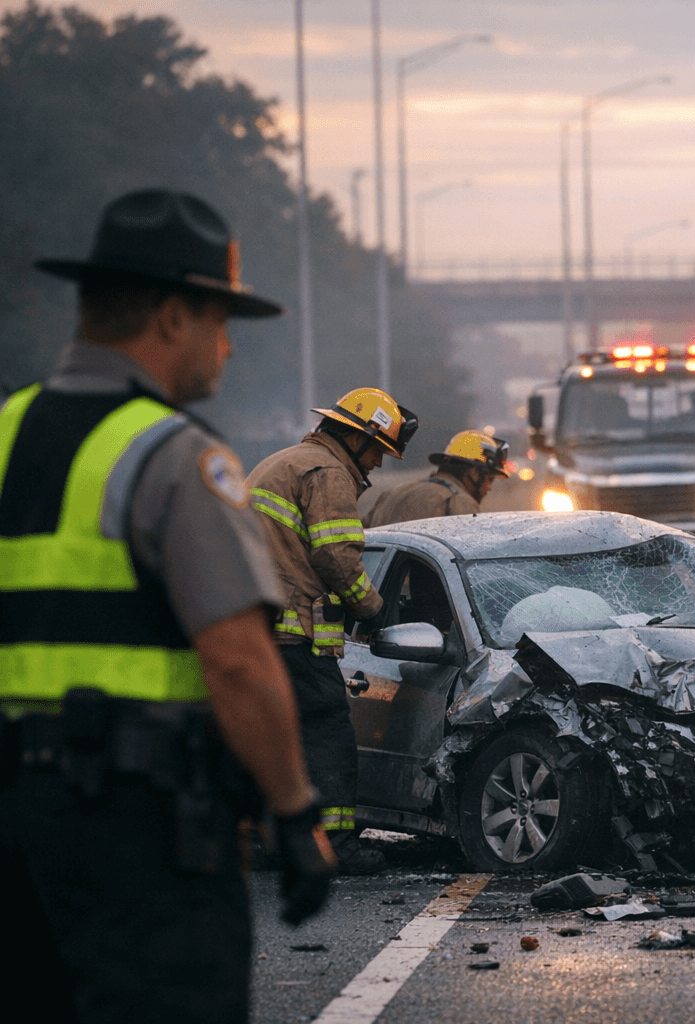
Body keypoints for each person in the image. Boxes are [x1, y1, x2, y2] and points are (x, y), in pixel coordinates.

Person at [0, 189, 335, 1022]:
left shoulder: (5, 434)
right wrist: (295, 812)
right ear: (172, 314)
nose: (225, 346)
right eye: (221, 319)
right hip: (139, 839)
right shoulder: (173, 457)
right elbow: (236, 657)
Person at [246, 386, 418, 874]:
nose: (379, 465)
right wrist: (373, 607)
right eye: (379, 452)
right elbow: (336, 556)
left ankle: (267, 842)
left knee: (277, 739)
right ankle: (336, 845)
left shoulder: (286, 462)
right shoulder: (329, 473)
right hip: (292, 634)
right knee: (327, 735)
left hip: (260, 629)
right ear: (358, 438)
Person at [364, 428, 510, 527]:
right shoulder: (459, 502)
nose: (489, 488)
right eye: (489, 479)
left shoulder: (391, 494)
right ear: (472, 472)